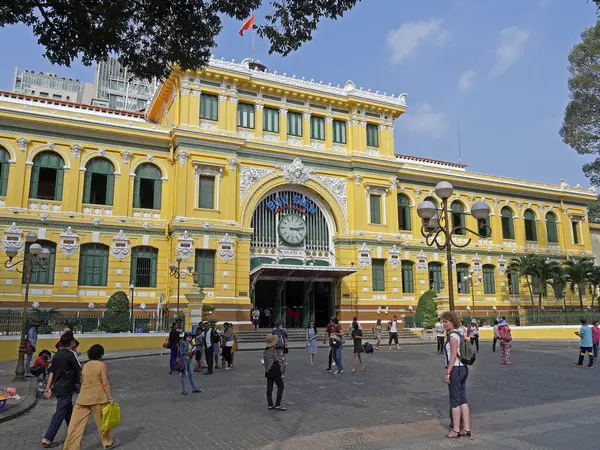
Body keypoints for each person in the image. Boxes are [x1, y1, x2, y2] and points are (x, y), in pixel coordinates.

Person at [62, 344, 119, 449]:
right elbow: (105, 383)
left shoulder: (86, 366)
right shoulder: (101, 365)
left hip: (83, 398)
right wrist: (110, 398)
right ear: (101, 354)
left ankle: (70, 447)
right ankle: (107, 442)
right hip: (98, 398)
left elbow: (83, 380)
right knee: (103, 423)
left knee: (75, 425)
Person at [41, 334, 82, 449]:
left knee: (68, 410)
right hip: (66, 388)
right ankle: (48, 438)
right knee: (60, 413)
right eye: (73, 342)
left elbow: (52, 372)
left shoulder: (56, 355)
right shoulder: (70, 355)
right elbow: (79, 370)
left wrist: (48, 387)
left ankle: (73, 431)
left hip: (58, 387)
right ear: (71, 342)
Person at [441, 311, 471, 439]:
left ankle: (456, 429)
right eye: (443, 322)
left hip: (456, 370)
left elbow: (453, 356)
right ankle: (467, 429)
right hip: (463, 368)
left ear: (452, 322)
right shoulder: (459, 334)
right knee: (463, 400)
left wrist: (448, 372)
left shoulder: (453, 337)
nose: (444, 324)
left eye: (446, 322)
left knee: (455, 400)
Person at [263, 334, 287, 411]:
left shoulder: (265, 350)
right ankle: (278, 404)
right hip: (275, 371)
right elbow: (279, 360)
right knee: (281, 386)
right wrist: (282, 370)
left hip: (268, 371)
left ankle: (270, 404)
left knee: (269, 389)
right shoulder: (274, 350)